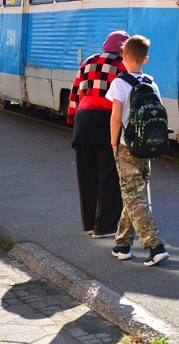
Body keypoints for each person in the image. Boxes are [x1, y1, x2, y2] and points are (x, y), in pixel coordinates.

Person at [106, 35, 170, 266]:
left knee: (133, 195)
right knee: (134, 194)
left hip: (126, 146)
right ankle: (122, 245)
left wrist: (113, 142)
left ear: (123, 57)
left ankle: (155, 246)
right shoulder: (152, 83)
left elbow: (115, 117)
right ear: (146, 59)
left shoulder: (119, 83)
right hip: (146, 146)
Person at [68, 30, 129, 239]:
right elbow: (124, 100)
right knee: (108, 175)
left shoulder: (88, 61)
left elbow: (75, 92)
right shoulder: (122, 66)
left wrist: (72, 120)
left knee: (86, 175)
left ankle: (89, 224)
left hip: (83, 120)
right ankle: (104, 226)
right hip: (106, 120)